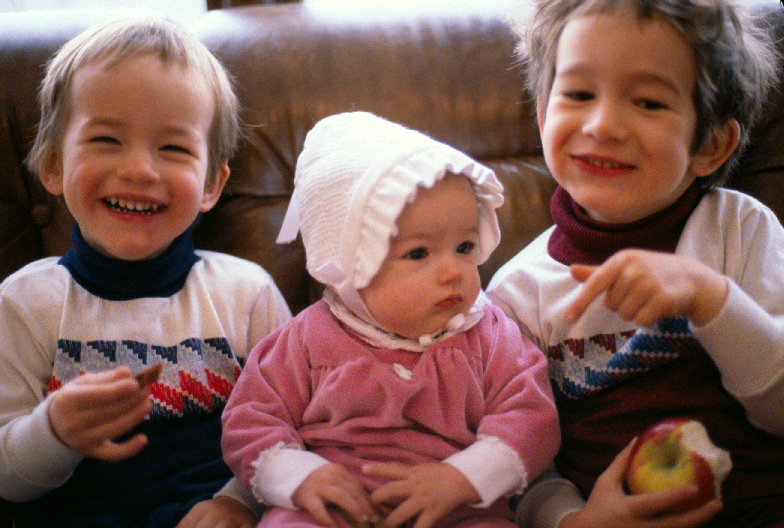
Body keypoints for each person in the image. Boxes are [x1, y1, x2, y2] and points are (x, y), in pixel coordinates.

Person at [486, 0, 784, 527]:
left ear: (712, 145)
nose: (603, 125)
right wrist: (571, 520)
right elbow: (516, 457)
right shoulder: (518, 294)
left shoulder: (740, 230)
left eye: (648, 102)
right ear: (543, 113)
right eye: (579, 94)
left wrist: (712, 298)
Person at [0, 17, 292, 528]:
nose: (139, 169)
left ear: (211, 183)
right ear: (52, 164)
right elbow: (8, 480)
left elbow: (292, 427)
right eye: (106, 139)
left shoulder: (247, 295)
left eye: (173, 148)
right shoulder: (25, 303)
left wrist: (237, 501)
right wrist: (52, 432)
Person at [221, 111, 560, 528]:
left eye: (465, 246)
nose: (453, 271)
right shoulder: (304, 341)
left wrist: (463, 478)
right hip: (333, 508)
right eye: (418, 253)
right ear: (349, 265)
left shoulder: (493, 336)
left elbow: (531, 418)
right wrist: (299, 476)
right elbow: (250, 419)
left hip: (456, 509)